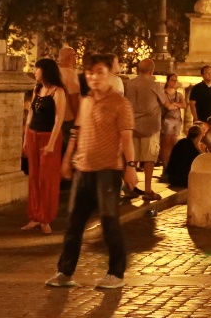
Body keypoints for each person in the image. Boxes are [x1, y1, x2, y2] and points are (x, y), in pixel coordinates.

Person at [47, 55, 138, 290]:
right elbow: (77, 132)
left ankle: (116, 273)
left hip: (108, 170)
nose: (94, 77)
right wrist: (67, 160)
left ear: (108, 74)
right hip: (83, 169)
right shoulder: (86, 101)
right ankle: (64, 272)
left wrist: (130, 168)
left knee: (109, 222)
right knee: (74, 224)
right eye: (89, 73)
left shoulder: (120, 103)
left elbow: (127, 139)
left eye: (99, 72)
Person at [22, 58, 66, 233]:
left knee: (47, 179)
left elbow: (59, 118)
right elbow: (30, 114)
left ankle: (45, 218)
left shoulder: (58, 91)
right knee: (33, 177)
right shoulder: (37, 89)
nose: (34, 71)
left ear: (45, 71)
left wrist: (51, 142)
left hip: (49, 136)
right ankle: (34, 215)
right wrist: (26, 137)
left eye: (37, 68)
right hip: (34, 134)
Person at [124, 58, 168, 202]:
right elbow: (166, 103)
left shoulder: (129, 84)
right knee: (149, 158)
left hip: (132, 125)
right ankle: (148, 189)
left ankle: (129, 186)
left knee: (131, 157)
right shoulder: (154, 85)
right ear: (151, 71)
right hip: (150, 126)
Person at [57, 46, 83, 157]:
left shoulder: (56, 73)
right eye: (74, 55)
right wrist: (78, 119)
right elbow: (73, 99)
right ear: (69, 57)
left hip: (56, 117)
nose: (76, 58)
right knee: (69, 151)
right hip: (68, 119)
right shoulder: (70, 74)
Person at [158, 72, 186, 175]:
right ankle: (165, 166)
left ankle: (170, 165)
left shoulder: (178, 94)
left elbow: (184, 105)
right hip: (166, 120)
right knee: (165, 144)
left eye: (176, 80)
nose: (174, 82)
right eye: (172, 80)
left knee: (173, 143)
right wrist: (175, 105)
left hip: (176, 121)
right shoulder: (163, 93)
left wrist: (175, 104)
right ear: (168, 81)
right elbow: (167, 106)